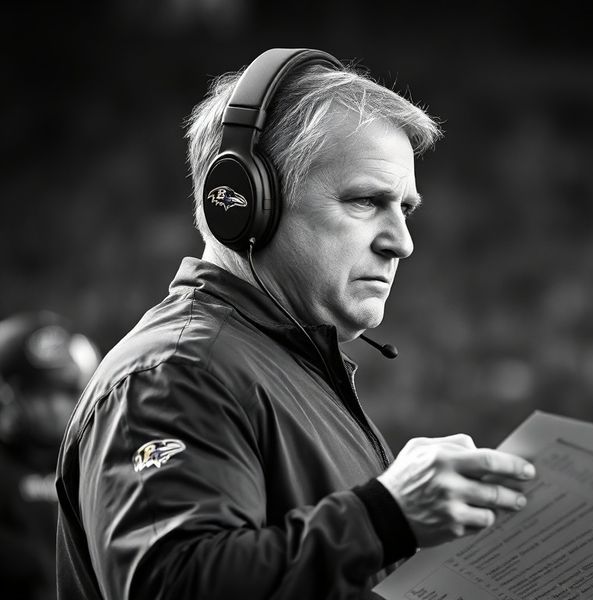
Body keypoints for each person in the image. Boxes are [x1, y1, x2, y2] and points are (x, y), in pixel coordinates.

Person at [55, 48, 536, 600]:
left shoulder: (284, 369)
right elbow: (175, 586)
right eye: (365, 201)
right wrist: (386, 515)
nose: (401, 242)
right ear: (243, 201)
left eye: (406, 208)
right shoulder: (175, 374)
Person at [0, 310, 101, 600]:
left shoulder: (87, 462)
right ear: (8, 395)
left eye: (65, 393)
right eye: (40, 395)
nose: (57, 408)